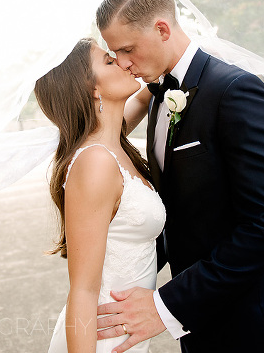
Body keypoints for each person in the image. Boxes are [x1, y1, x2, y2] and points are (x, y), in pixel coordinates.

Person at [94, 0, 264, 352]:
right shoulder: (159, 97)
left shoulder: (235, 91)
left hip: (254, 326)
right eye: (115, 54)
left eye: (128, 49)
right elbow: (182, 213)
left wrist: (164, 307)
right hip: (200, 329)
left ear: (162, 29)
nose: (124, 64)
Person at [35, 38, 166, 353]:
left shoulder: (113, 144)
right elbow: (82, 291)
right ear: (93, 89)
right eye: (109, 61)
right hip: (103, 340)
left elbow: (136, 102)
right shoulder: (96, 162)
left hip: (126, 332)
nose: (122, 62)